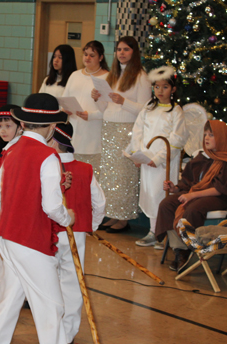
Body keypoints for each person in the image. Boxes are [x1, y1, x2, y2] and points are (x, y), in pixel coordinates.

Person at [0, 93, 75, 344]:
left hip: (8, 237)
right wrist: (68, 216)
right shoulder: (48, 156)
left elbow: (4, 192)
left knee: (10, 302)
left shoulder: (10, 151)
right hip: (31, 241)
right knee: (52, 307)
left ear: (23, 122)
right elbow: (51, 206)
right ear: (51, 127)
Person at [156, 120, 227, 273]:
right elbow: (189, 182)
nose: (207, 138)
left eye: (211, 135)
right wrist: (175, 188)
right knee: (167, 204)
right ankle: (180, 249)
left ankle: (190, 249)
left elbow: (220, 189)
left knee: (192, 209)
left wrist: (192, 196)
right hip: (195, 194)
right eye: (205, 135)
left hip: (219, 198)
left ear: (222, 137)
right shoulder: (201, 157)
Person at [49, 122, 106, 344]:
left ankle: (50, 329)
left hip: (50, 233)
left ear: (54, 141)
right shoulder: (85, 168)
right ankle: (68, 333)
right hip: (77, 233)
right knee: (73, 282)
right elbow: (99, 203)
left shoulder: (46, 166)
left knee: (50, 280)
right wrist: (93, 225)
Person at [91, 36, 151, 233]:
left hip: (127, 130)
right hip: (109, 127)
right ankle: (113, 214)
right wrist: (97, 98)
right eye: (118, 50)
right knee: (110, 175)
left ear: (134, 52)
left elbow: (145, 109)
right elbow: (104, 108)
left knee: (124, 175)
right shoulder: (113, 75)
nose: (121, 53)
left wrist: (123, 101)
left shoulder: (141, 76)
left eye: (126, 49)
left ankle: (124, 217)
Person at [125, 66, 188, 248]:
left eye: (165, 87)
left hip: (164, 162)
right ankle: (154, 231)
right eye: (157, 87)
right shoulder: (148, 108)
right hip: (146, 160)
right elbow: (137, 131)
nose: (160, 91)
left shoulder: (176, 111)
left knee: (162, 194)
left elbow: (177, 139)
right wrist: (137, 154)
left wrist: (159, 159)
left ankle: (164, 232)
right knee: (149, 194)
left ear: (173, 89)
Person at [0, 104, 23, 280]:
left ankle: (3, 285)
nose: (3, 130)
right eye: (0, 126)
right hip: (6, 206)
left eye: (8, 126)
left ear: (21, 126)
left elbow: (8, 184)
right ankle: (2, 284)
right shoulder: (9, 148)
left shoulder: (16, 150)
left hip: (11, 208)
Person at [62, 40, 109, 176]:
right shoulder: (75, 75)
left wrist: (92, 115)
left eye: (92, 55)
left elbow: (110, 109)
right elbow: (65, 98)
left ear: (100, 58)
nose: (87, 58)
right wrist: (65, 109)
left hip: (93, 133)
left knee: (90, 177)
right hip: (73, 132)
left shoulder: (107, 77)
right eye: (85, 54)